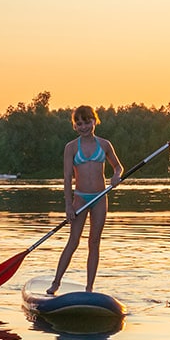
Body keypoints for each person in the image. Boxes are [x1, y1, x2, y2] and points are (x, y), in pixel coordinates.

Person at [48, 106, 125, 295]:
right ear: (75, 126)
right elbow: (67, 178)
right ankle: (56, 283)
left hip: (99, 197)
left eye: (87, 122)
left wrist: (116, 176)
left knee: (94, 242)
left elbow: (118, 167)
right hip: (80, 198)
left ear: (94, 121)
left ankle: (89, 288)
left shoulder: (105, 144)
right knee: (73, 241)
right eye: (79, 123)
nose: (83, 126)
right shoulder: (71, 147)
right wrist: (68, 205)